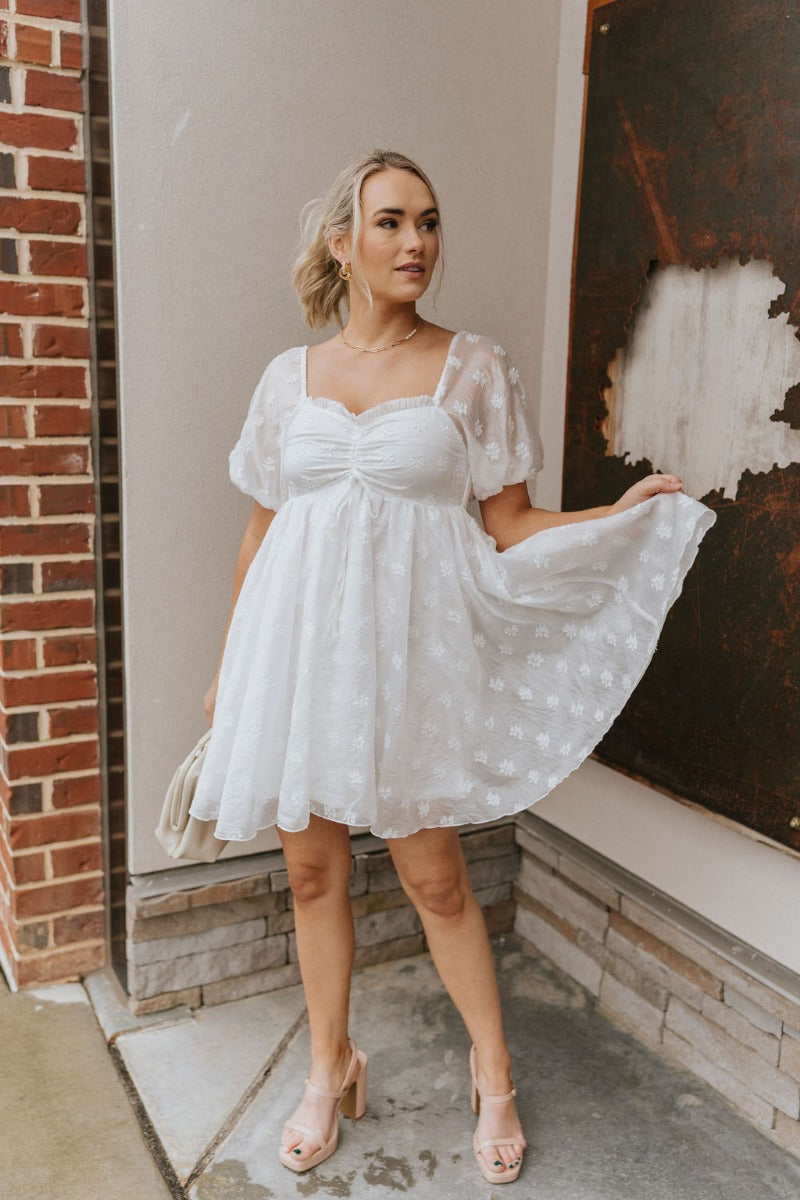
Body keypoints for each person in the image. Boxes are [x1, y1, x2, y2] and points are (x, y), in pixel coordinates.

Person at [189, 149, 716, 1184]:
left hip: (407, 662)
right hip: (295, 658)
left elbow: (507, 522)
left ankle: (492, 1072)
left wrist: (611, 520)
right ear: (341, 242)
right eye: (389, 223)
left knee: (433, 880)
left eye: (427, 222)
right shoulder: (284, 379)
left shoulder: (469, 366)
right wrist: (228, 666)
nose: (415, 243)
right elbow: (262, 534)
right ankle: (329, 1064)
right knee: (309, 871)